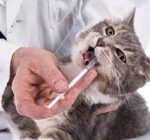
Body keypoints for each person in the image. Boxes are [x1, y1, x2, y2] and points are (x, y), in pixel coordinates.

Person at [0, 0, 150, 125]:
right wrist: (11, 58)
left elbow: (122, 6)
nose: (103, 42)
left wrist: (119, 86)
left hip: (63, 101)